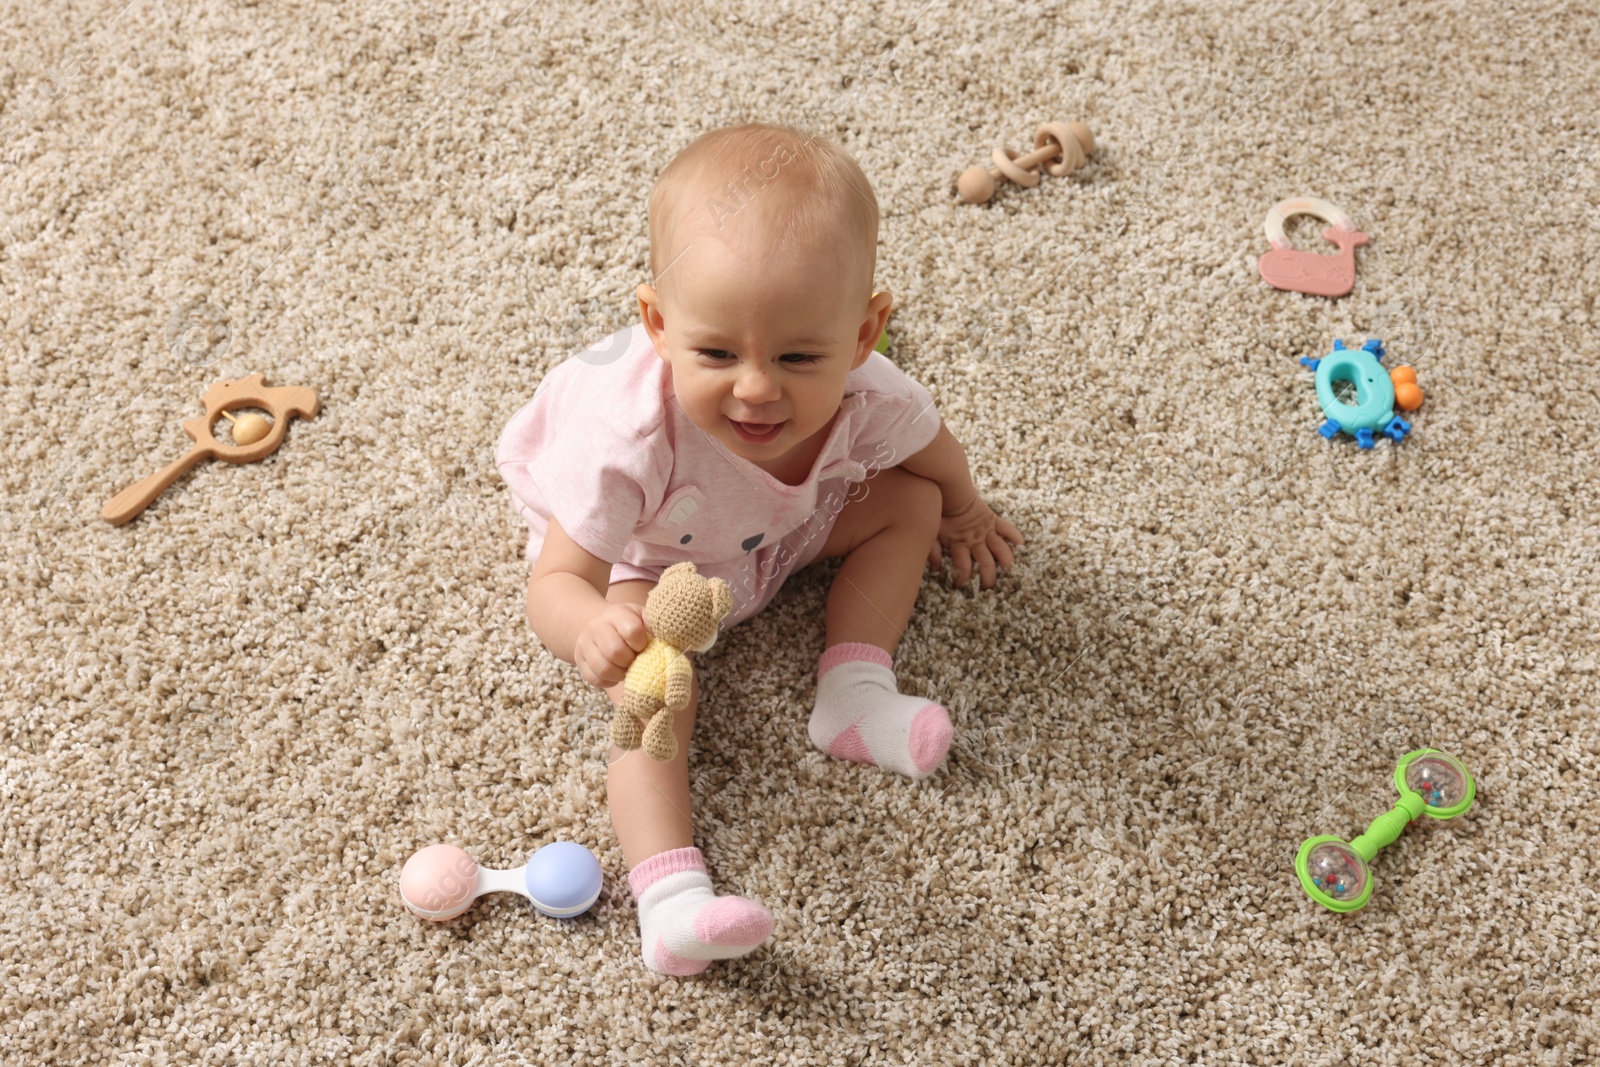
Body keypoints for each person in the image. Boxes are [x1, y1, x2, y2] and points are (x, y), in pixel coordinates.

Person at [496, 122, 1024, 975]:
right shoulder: (624, 436)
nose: (755, 389)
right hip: (647, 562)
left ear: (863, 335)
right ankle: (670, 900)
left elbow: (935, 454)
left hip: (779, 529)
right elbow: (557, 578)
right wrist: (589, 626)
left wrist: (963, 512)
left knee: (912, 502)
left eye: (798, 355)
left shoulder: (870, 393)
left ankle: (853, 691)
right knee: (658, 700)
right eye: (715, 352)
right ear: (659, 325)